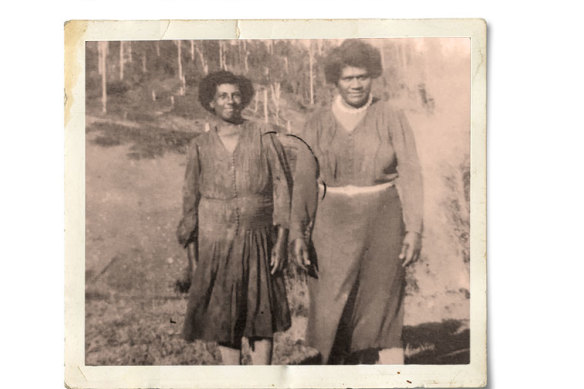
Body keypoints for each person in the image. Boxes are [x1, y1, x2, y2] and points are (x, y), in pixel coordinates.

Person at [291, 40, 424, 364]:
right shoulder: (317, 123)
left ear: (373, 76)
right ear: (335, 79)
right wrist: (297, 231)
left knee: (383, 307)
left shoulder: (391, 117)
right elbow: (305, 181)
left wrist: (415, 230)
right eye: (348, 78)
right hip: (331, 226)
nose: (356, 84)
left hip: (383, 222)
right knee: (330, 310)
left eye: (362, 76)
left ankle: (393, 378)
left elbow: (412, 174)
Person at [176, 71, 294, 365]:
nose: (230, 101)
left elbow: (282, 188)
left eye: (236, 95)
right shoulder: (199, 146)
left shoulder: (264, 136)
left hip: (259, 240)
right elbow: (190, 204)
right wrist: (193, 261)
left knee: (260, 317)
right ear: (211, 103)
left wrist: (281, 243)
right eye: (223, 96)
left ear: (244, 99)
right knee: (223, 320)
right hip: (216, 244)